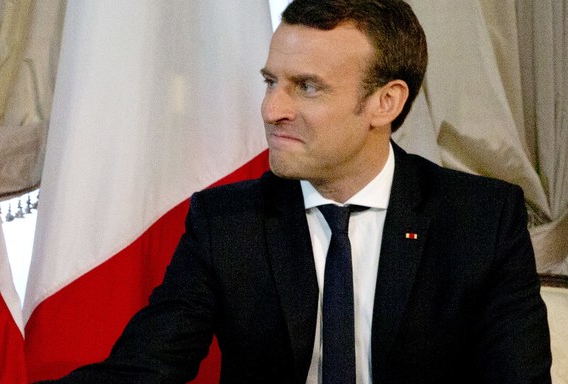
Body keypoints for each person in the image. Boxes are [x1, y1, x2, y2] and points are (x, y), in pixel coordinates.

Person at [39, 0, 552, 383]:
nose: (271, 110)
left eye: (306, 87)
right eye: (270, 82)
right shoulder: (226, 223)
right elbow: (142, 370)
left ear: (385, 102)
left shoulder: (480, 219)